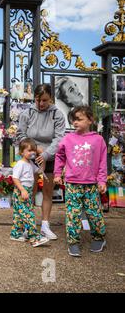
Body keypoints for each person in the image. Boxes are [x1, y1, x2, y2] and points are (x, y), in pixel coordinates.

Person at [54, 106, 107, 257]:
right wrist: (58, 173)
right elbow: (60, 156)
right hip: (72, 184)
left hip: (91, 185)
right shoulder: (68, 139)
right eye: (73, 119)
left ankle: (99, 237)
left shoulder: (98, 140)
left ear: (90, 120)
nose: (75, 122)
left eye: (79, 119)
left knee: (94, 213)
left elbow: (103, 162)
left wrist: (102, 180)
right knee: (73, 214)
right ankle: (73, 242)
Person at [17, 83, 66, 240]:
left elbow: (59, 139)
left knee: (47, 191)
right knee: (28, 191)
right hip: (29, 156)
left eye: (44, 100)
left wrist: (45, 155)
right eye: (38, 100)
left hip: (49, 156)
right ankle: (28, 225)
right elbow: (20, 135)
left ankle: (45, 225)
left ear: (50, 98)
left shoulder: (57, 114)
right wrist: (36, 150)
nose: (41, 104)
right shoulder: (27, 113)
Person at [11, 138, 50, 247]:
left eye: (33, 150)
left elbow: (40, 171)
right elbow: (15, 178)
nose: (32, 153)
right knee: (28, 214)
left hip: (27, 191)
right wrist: (22, 190)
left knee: (19, 214)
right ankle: (34, 237)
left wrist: (43, 162)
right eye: (29, 150)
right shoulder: (20, 164)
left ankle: (16, 233)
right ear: (21, 152)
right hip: (21, 191)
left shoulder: (30, 164)